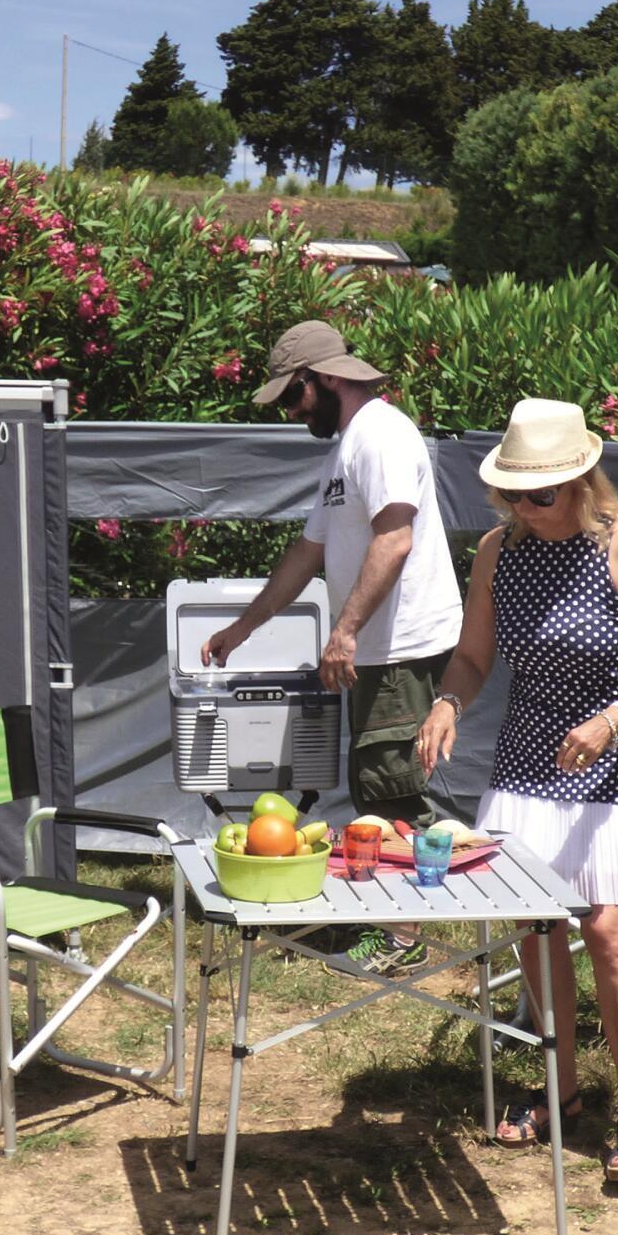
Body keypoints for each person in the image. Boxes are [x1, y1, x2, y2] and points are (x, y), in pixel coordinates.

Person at [414, 397, 618, 1186]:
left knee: (607, 930)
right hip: (528, 762)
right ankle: (560, 1087)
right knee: (536, 928)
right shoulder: (498, 552)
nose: (526, 509)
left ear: (580, 483)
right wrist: (447, 701)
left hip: (614, 759)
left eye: (540, 494)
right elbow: (474, 657)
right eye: (513, 494)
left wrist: (614, 718)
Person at [203, 319, 463, 977]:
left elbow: (395, 539)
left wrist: (343, 631)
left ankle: (402, 938)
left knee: (390, 785)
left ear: (322, 378)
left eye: (292, 396)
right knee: (378, 780)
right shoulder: (347, 447)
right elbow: (307, 553)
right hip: (380, 647)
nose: (292, 413)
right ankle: (396, 923)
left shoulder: (381, 434)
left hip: (401, 644)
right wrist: (243, 628)